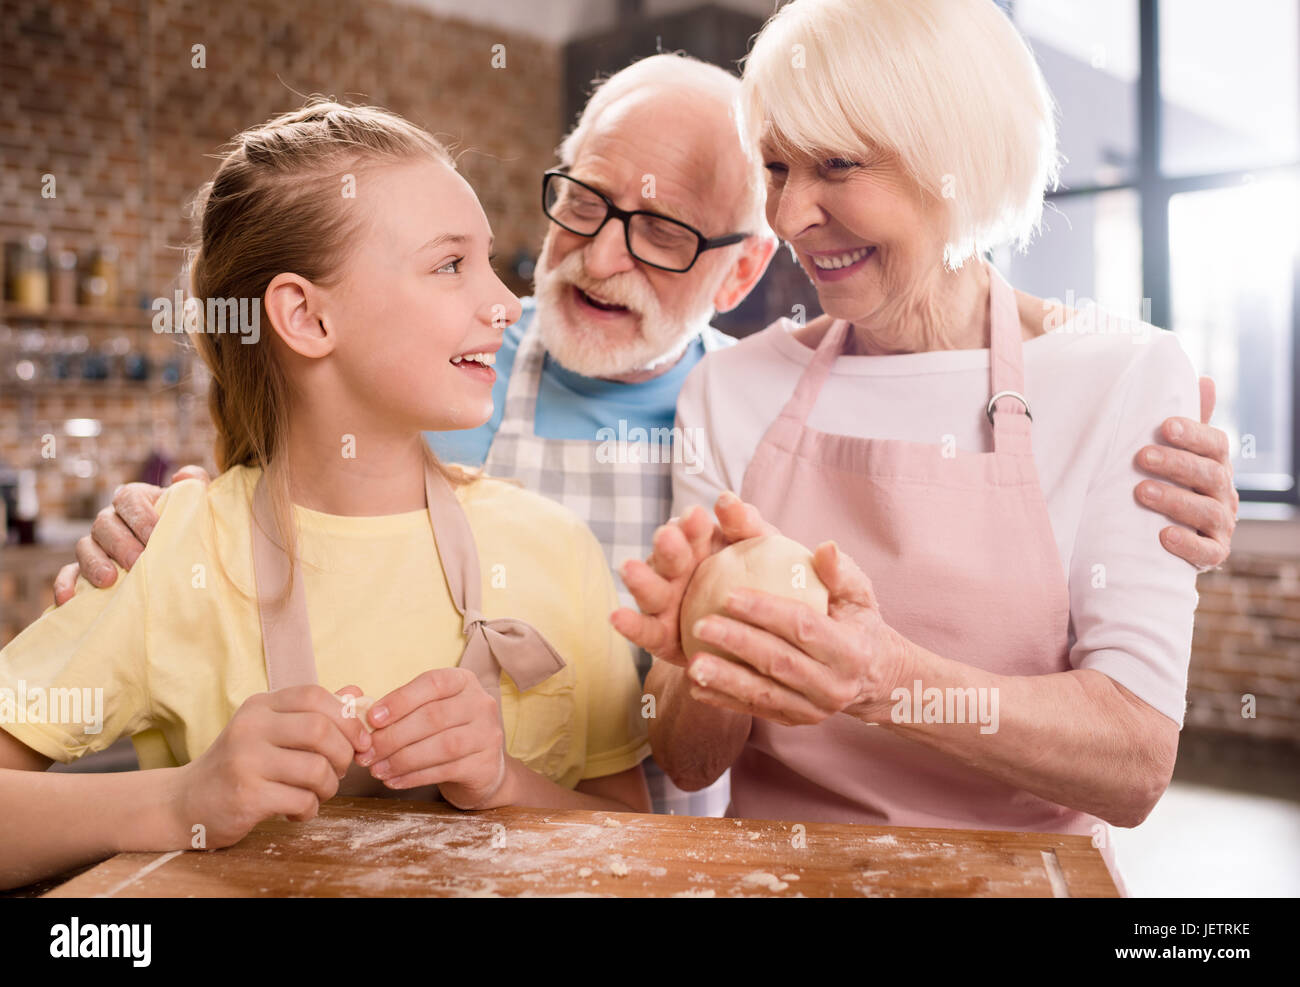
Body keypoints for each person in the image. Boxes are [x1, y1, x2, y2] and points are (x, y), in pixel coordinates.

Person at [56, 51, 1238, 820]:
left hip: (639, 852)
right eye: (583, 200)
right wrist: (185, 516)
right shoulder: (441, 370)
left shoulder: (743, 401)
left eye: (664, 231)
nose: (600, 255)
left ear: (741, 271)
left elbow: (673, 769)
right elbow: (307, 450)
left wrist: (1163, 501)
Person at [614, 0, 1222, 894]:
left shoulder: (1123, 377)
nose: (789, 211)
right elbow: (691, 762)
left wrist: (889, 681)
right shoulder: (733, 389)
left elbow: (1132, 762)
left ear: (957, 158)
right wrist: (706, 668)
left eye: (836, 166)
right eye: (777, 167)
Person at [0, 102, 650, 891]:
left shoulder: (553, 545)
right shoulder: (169, 552)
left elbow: (637, 844)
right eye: (450, 265)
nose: (505, 303)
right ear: (305, 316)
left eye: (488, 261)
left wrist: (504, 784)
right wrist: (183, 798)